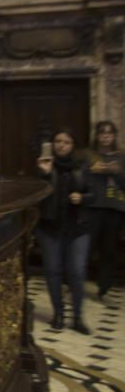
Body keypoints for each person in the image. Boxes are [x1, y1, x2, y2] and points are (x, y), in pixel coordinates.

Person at [37, 129, 96, 334]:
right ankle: (58, 314)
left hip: (78, 227)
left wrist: (83, 198)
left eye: (66, 142)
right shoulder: (45, 166)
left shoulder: (83, 166)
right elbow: (36, 196)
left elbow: (94, 194)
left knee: (77, 273)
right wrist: (44, 174)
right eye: (58, 141)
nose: (61, 145)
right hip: (50, 227)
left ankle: (78, 317)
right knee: (52, 271)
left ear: (73, 146)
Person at [86, 121, 125, 303]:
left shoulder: (122, 157)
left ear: (115, 136)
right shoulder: (89, 156)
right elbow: (80, 179)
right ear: (97, 136)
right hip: (93, 207)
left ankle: (104, 287)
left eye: (110, 133)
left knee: (109, 249)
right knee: (87, 246)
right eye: (102, 133)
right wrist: (91, 171)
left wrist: (116, 172)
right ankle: (76, 281)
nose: (106, 136)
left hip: (115, 209)